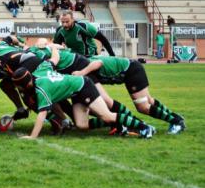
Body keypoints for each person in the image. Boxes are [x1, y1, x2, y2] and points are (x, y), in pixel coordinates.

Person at [12, 62, 154, 139]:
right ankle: (119, 124)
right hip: (75, 92)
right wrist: (53, 47)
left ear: (27, 84)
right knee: (81, 125)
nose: (19, 90)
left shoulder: (41, 89)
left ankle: (144, 127)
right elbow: (52, 60)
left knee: (106, 115)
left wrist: (32, 137)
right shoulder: (38, 71)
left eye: (20, 87)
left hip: (84, 86)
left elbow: (42, 116)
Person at [72, 55, 185, 134]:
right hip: (132, 68)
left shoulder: (83, 66)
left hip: (131, 70)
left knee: (143, 107)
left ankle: (176, 123)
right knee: (149, 101)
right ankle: (176, 117)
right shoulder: (81, 60)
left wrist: (82, 72)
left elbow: (99, 63)